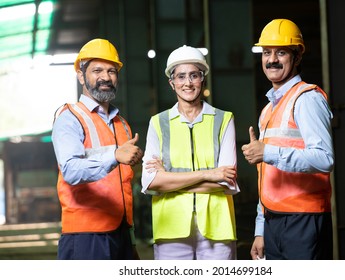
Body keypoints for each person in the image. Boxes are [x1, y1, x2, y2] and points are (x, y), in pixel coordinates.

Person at [242, 19, 334, 260]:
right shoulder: (268, 110)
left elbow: (325, 159)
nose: (272, 59)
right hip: (274, 221)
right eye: (266, 52)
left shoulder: (307, 99)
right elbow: (266, 177)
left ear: (297, 56)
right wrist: (260, 229)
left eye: (281, 52)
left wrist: (268, 152)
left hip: (305, 220)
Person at [141, 45, 240, 260]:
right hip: (170, 229)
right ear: (172, 83)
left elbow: (226, 182)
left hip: (217, 228)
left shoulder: (224, 119)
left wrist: (169, 180)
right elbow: (151, 182)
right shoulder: (158, 123)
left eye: (194, 75)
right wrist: (207, 174)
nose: (188, 83)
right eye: (181, 77)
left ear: (202, 79)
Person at [52, 38, 143, 260]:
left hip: (120, 232)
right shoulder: (70, 118)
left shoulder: (122, 124)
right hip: (86, 235)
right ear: (81, 75)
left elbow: (122, 186)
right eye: (97, 70)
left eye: (112, 71)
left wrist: (129, 239)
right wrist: (113, 155)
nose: (105, 77)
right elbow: (71, 170)